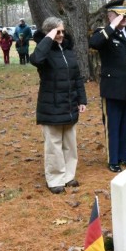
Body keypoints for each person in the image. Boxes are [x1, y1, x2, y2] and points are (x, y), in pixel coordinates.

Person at [30, 17, 87, 194]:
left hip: (69, 104)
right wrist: (49, 38)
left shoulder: (68, 50)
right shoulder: (44, 51)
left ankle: (68, 176)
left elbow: (77, 77)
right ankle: (55, 179)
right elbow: (36, 59)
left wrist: (82, 100)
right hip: (51, 106)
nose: (61, 35)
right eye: (57, 32)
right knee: (53, 145)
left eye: (62, 31)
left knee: (70, 144)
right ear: (49, 33)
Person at [89, 0, 126, 172]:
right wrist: (112, 26)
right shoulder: (104, 33)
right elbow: (94, 43)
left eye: (125, 14)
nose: (124, 18)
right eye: (119, 15)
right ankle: (113, 160)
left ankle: (124, 157)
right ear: (110, 16)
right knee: (113, 125)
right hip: (112, 88)